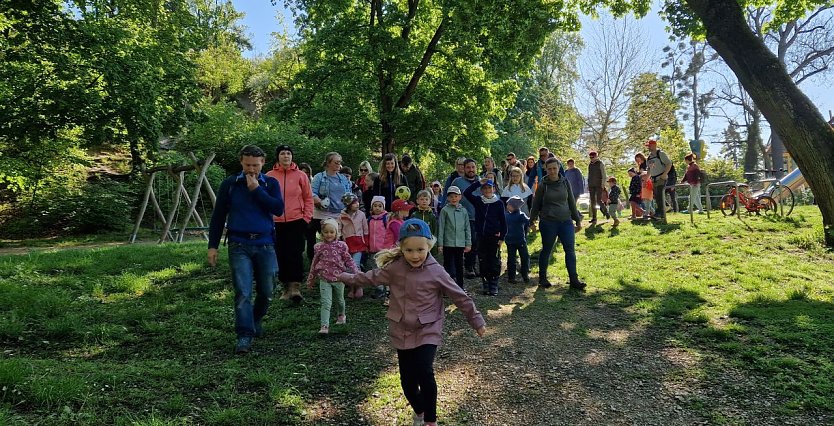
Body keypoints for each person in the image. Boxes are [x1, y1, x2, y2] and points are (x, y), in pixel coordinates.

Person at [337, 219, 486, 426]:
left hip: (428, 327)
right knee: (407, 383)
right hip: (402, 328)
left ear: (428, 247)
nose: (415, 255)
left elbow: (459, 296)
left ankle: (430, 421)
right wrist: (344, 277)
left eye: (420, 250)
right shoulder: (395, 268)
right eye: (409, 250)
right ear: (401, 248)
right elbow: (369, 278)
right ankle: (420, 410)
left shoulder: (437, 271)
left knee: (424, 370)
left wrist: (476, 320)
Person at [207, 145, 284, 354]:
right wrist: (212, 246)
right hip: (238, 244)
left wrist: (256, 189)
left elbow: (278, 209)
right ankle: (244, 335)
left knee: (267, 291)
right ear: (241, 162)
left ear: (263, 163)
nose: (251, 169)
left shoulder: (271, 183)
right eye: (248, 165)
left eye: (255, 165)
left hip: (265, 244)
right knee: (242, 292)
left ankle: (254, 320)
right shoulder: (230, 184)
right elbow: (218, 216)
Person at [266, 144, 313, 303]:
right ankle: (285, 287)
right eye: (282, 154)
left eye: (288, 153)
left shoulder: (301, 175)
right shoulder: (269, 176)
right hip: (276, 222)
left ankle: (295, 288)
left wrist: (306, 218)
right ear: (277, 157)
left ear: (292, 156)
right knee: (281, 254)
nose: (286, 156)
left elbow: (308, 198)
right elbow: (264, 199)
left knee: (296, 253)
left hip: (296, 221)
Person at [530, 157, 585, 291]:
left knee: (570, 250)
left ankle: (574, 280)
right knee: (547, 249)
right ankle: (542, 278)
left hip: (566, 221)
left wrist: (577, 220)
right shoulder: (543, 184)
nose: (552, 171)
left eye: (554, 168)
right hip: (548, 222)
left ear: (559, 168)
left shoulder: (565, 182)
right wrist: (532, 221)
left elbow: (571, 201)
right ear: (546, 170)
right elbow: (536, 203)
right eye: (549, 169)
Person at [306, 218, 359, 334]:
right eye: (326, 232)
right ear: (321, 233)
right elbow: (314, 263)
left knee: (340, 300)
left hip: (339, 278)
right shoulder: (319, 247)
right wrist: (311, 279)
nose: (329, 234)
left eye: (332, 232)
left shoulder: (341, 246)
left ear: (336, 233)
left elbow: (348, 259)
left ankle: (341, 315)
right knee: (326, 302)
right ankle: (324, 325)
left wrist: (356, 272)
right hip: (324, 279)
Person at [463, 178, 507, 296]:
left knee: (493, 260)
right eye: (485, 188)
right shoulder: (479, 201)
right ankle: (485, 283)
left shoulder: (498, 203)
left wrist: (502, 237)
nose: (487, 190)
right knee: (482, 260)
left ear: (493, 189)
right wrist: (478, 183)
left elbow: (503, 222)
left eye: (489, 188)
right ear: (482, 190)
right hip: (481, 237)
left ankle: (493, 284)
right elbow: (466, 193)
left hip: (494, 237)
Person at [309, 152, 353, 260]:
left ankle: (335, 264)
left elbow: (349, 193)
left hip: (338, 214)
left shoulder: (343, 178)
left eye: (340, 162)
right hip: (322, 214)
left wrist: (350, 200)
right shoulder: (319, 177)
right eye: (336, 162)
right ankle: (318, 263)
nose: (339, 164)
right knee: (326, 241)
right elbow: (311, 192)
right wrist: (318, 201)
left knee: (337, 242)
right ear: (328, 163)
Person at [437, 186, 471, 290]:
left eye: (456, 196)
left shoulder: (463, 211)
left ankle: (460, 287)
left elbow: (467, 227)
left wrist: (468, 243)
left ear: (460, 197)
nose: (454, 199)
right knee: (448, 266)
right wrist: (440, 244)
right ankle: (447, 287)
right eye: (451, 196)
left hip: (460, 243)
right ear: (447, 198)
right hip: (448, 243)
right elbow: (441, 227)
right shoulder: (445, 210)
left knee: (459, 266)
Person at [451, 159, 480, 278]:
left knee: (476, 243)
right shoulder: (457, 181)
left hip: (478, 216)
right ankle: (466, 267)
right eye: (468, 167)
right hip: (461, 216)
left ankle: (472, 265)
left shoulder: (481, 181)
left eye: (473, 167)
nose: (471, 170)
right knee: (468, 241)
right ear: (463, 168)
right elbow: (449, 196)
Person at [339, 193, 369, 298]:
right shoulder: (342, 216)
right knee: (348, 266)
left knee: (355, 265)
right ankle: (352, 287)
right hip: (347, 244)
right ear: (348, 205)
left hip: (359, 243)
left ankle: (359, 286)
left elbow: (365, 229)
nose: (357, 204)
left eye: (357, 202)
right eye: (353, 203)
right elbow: (339, 230)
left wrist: (366, 243)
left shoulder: (361, 214)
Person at [504, 196, 530, 284]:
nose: (507, 206)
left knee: (524, 258)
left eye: (509, 205)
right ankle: (511, 277)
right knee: (511, 259)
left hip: (520, 241)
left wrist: (532, 223)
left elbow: (528, 222)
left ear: (514, 206)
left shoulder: (521, 215)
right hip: (510, 241)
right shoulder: (506, 215)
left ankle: (525, 274)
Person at [645, 139, 672, 222]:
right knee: (657, 197)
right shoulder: (649, 158)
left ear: (654, 145)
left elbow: (669, 163)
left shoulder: (661, 154)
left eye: (650, 145)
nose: (648, 147)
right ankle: (665, 207)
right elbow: (649, 169)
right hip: (653, 179)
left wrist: (664, 174)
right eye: (648, 146)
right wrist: (646, 179)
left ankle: (659, 213)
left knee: (660, 195)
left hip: (661, 178)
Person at [411, 189, 438, 256]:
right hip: (416, 242)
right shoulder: (414, 215)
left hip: (429, 243)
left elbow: (435, 230)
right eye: (422, 199)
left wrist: (435, 243)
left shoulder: (432, 216)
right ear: (417, 201)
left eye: (426, 199)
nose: (424, 201)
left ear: (429, 201)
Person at [587, 150, 609, 224]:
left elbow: (604, 175)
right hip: (591, 185)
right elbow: (589, 175)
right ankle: (594, 218)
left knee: (599, 201)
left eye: (593, 157)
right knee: (592, 201)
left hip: (599, 185)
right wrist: (588, 184)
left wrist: (603, 184)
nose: (591, 158)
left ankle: (606, 212)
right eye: (590, 157)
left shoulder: (600, 163)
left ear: (596, 156)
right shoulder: (590, 164)